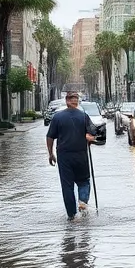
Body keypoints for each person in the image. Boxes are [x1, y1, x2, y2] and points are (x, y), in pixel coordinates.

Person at [47, 91, 96, 220]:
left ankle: (71, 215)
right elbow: (92, 135)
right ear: (76, 101)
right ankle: (83, 201)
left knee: (67, 186)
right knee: (84, 181)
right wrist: (89, 139)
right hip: (81, 155)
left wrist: (50, 153)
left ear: (67, 101)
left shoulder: (57, 117)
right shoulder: (84, 117)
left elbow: (50, 137)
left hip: (64, 156)